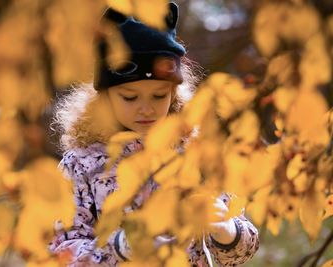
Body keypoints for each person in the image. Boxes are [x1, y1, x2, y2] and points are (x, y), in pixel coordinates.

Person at [48, 2, 259, 266]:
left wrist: (227, 232)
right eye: (130, 97)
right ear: (103, 98)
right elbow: (59, 251)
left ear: (174, 95)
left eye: (159, 96)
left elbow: (243, 246)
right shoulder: (80, 165)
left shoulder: (196, 152)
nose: (146, 108)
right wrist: (120, 247)